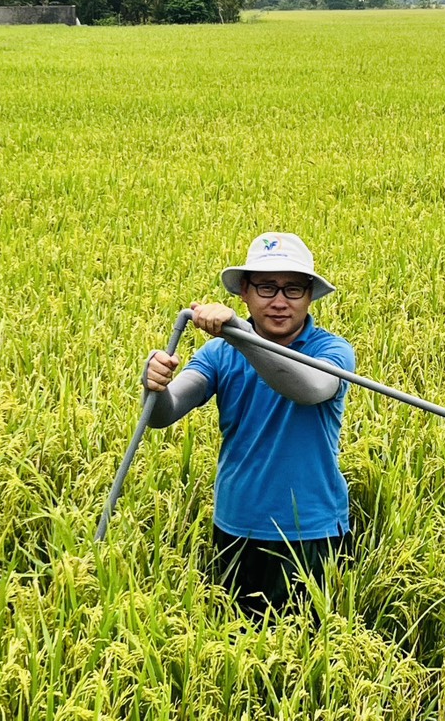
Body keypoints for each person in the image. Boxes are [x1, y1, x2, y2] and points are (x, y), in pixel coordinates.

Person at [143, 232, 356, 617]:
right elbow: (163, 414)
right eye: (266, 287)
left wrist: (242, 336)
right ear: (245, 291)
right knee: (235, 636)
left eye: (293, 289)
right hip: (239, 525)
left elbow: (311, 389)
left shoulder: (331, 351)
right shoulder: (218, 353)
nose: (279, 301)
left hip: (314, 529)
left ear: (309, 295)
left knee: (312, 641)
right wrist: (152, 386)